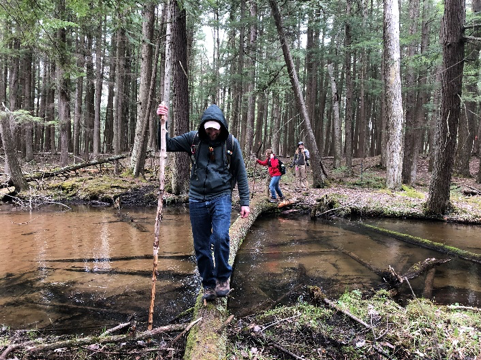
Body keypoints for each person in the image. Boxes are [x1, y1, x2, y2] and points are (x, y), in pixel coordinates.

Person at [157, 103, 250, 301]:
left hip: (222, 196)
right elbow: (166, 144)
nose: (211, 132)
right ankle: (208, 283)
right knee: (201, 245)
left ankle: (223, 278)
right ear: (203, 127)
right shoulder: (194, 139)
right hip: (197, 198)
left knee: (220, 237)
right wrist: (163, 122)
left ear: (221, 127)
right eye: (208, 128)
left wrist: (245, 202)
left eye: (215, 129)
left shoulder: (231, 143)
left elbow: (241, 174)